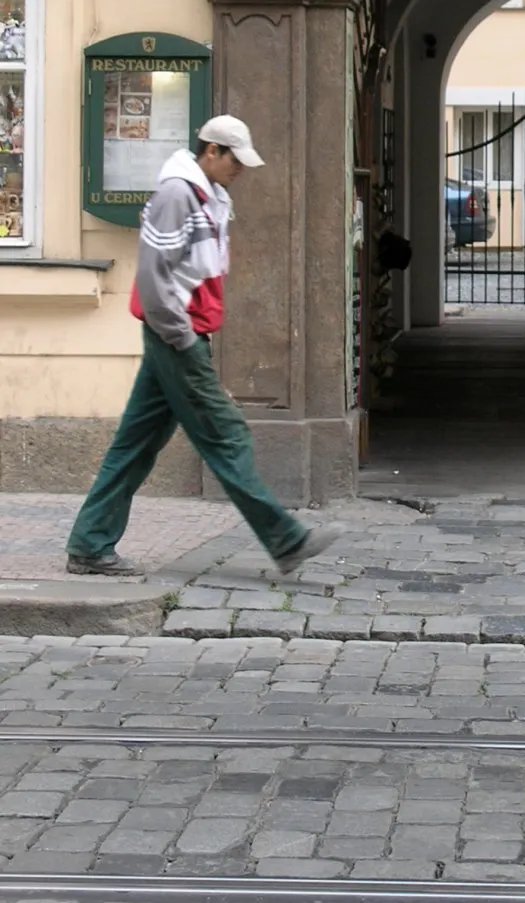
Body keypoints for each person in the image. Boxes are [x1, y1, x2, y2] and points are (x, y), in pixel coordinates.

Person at [66, 116, 338, 578]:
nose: (241, 170)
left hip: (178, 334)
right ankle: (286, 539)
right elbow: (155, 280)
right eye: (236, 160)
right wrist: (185, 339)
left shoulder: (204, 195)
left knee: (135, 444)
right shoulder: (178, 195)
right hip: (178, 336)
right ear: (211, 151)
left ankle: (90, 544)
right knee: (226, 435)